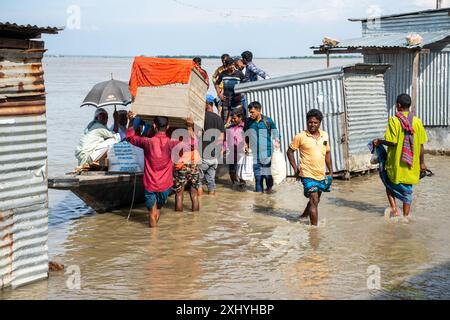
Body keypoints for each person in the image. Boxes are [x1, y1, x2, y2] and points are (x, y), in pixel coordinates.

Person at [372, 93, 428, 218]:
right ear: (409, 105)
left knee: (388, 185)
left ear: (398, 105)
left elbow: (392, 142)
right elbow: (421, 145)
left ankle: (395, 211)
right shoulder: (417, 122)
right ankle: (406, 217)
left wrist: (379, 141)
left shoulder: (394, 120)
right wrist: (422, 163)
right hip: (411, 165)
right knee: (407, 192)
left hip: (396, 165)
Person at [286, 109, 333, 226]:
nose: (312, 125)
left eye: (315, 122)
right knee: (314, 200)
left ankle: (303, 217)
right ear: (307, 122)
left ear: (320, 123)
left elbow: (327, 153)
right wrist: (296, 169)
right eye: (310, 122)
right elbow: (290, 152)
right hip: (307, 174)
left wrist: (331, 171)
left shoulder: (325, 135)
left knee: (316, 201)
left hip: (320, 174)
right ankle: (314, 231)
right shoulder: (300, 136)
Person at [244, 101, 280, 193]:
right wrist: (245, 144)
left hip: (267, 152)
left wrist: (276, 140)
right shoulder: (248, 122)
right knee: (258, 176)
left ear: (258, 111)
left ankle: (269, 189)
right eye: (250, 112)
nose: (250, 114)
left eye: (252, 112)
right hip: (255, 153)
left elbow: (275, 132)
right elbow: (245, 134)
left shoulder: (267, 121)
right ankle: (259, 196)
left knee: (267, 175)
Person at [199, 94, 225, 196]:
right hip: (214, 156)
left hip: (203, 154)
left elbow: (196, 135)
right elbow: (221, 138)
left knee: (198, 181)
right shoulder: (219, 118)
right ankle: (211, 198)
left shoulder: (201, 117)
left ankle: (199, 205)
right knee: (211, 181)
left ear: (206, 104)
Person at [173, 121, 201, 212]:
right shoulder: (193, 134)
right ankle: (195, 219)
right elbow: (194, 143)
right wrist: (189, 127)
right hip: (193, 164)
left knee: (179, 193)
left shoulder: (176, 135)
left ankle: (179, 221)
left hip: (181, 164)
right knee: (194, 193)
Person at [215, 58, 245, 126]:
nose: (231, 67)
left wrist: (241, 95)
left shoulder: (239, 73)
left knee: (236, 119)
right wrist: (219, 95)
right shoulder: (223, 74)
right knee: (226, 121)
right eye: (229, 65)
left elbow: (245, 84)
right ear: (226, 66)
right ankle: (226, 135)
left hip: (237, 100)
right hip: (226, 100)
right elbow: (217, 83)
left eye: (232, 65)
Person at [224, 109, 246, 187]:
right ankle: (234, 184)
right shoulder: (230, 128)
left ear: (240, 118)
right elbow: (226, 139)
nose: (233, 120)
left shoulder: (245, 127)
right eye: (232, 118)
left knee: (241, 171)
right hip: (231, 152)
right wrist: (224, 148)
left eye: (234, 118)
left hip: (241, 152)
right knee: (231, 171)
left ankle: (242, 185)